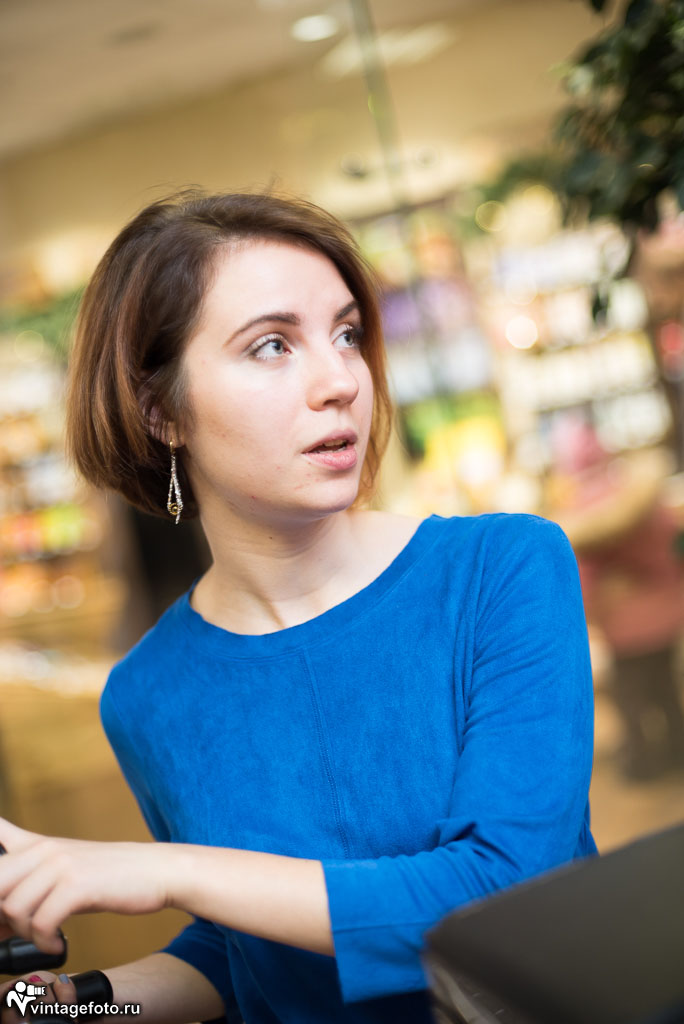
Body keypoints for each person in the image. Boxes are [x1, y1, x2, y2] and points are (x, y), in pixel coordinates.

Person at [0, 191, 596, 1024]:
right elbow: (243, 946)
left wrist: (166, 871)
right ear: (161, 410)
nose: (340, 380)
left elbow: (511, 889)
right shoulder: (147, 695)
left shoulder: (501, 569)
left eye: (346, 334)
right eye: (273, 345)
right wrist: (68, 1004)